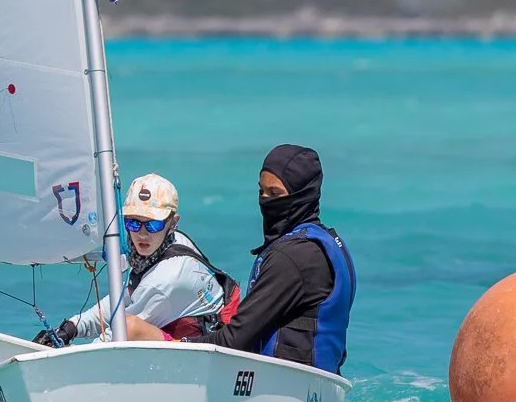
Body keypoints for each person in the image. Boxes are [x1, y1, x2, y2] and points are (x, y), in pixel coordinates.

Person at [127, 144, 354, 376]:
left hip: (286, 383)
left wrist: (175, 345)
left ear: (302, 194)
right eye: (261, 192)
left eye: (275, 194)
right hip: (322, 382)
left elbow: (235, 340)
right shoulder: (327, 242)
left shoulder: (291, 258)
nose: (265, 201)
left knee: (135, 331)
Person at [34, 173, 238, 346]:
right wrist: (70, 328)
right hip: (184, 336)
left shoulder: (167, 279)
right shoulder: (168, 243)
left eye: (153, 225)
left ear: (172, 223)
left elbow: (117, 337)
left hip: (212, 357)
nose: (142, 234)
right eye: (133, 223)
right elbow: (123, 300)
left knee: (129, 327)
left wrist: (65, 357)